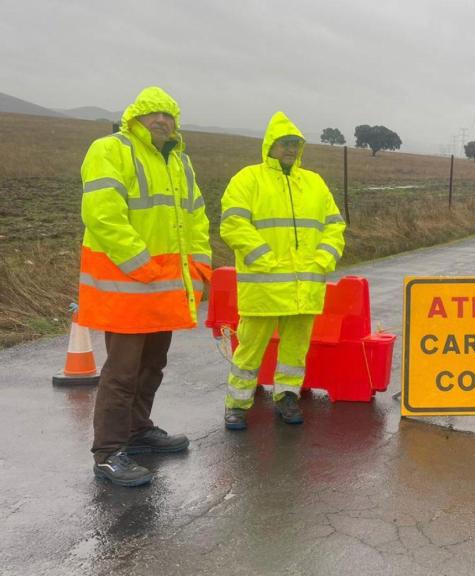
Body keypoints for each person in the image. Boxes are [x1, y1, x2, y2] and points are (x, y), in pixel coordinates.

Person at [79, 86, 212, 487]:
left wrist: (201, 266)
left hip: (164, 289)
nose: (161, 121)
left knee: (153, 365)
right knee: (122, 373)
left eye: (168, 115)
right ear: (135, 119)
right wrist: (141, 264)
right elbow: (103, 214)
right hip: (124, 287)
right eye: (152, 114)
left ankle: (138, 432)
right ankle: (109, 453)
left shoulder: (179, 162)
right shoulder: (110, 149)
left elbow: (196, 217)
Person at [220, 111, 346, 430]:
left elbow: (334, 225)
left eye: (295, 144)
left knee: (295, 348)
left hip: (305, 286)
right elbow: (233, 224)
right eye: (283, 143)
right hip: (263, 285)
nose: (290, 149)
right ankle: (237, 404)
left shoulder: (314, 183)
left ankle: (287, 396)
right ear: (269, 146)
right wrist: (263, 259)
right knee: (250, 347)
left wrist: (324, 259)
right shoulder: (248, 179)